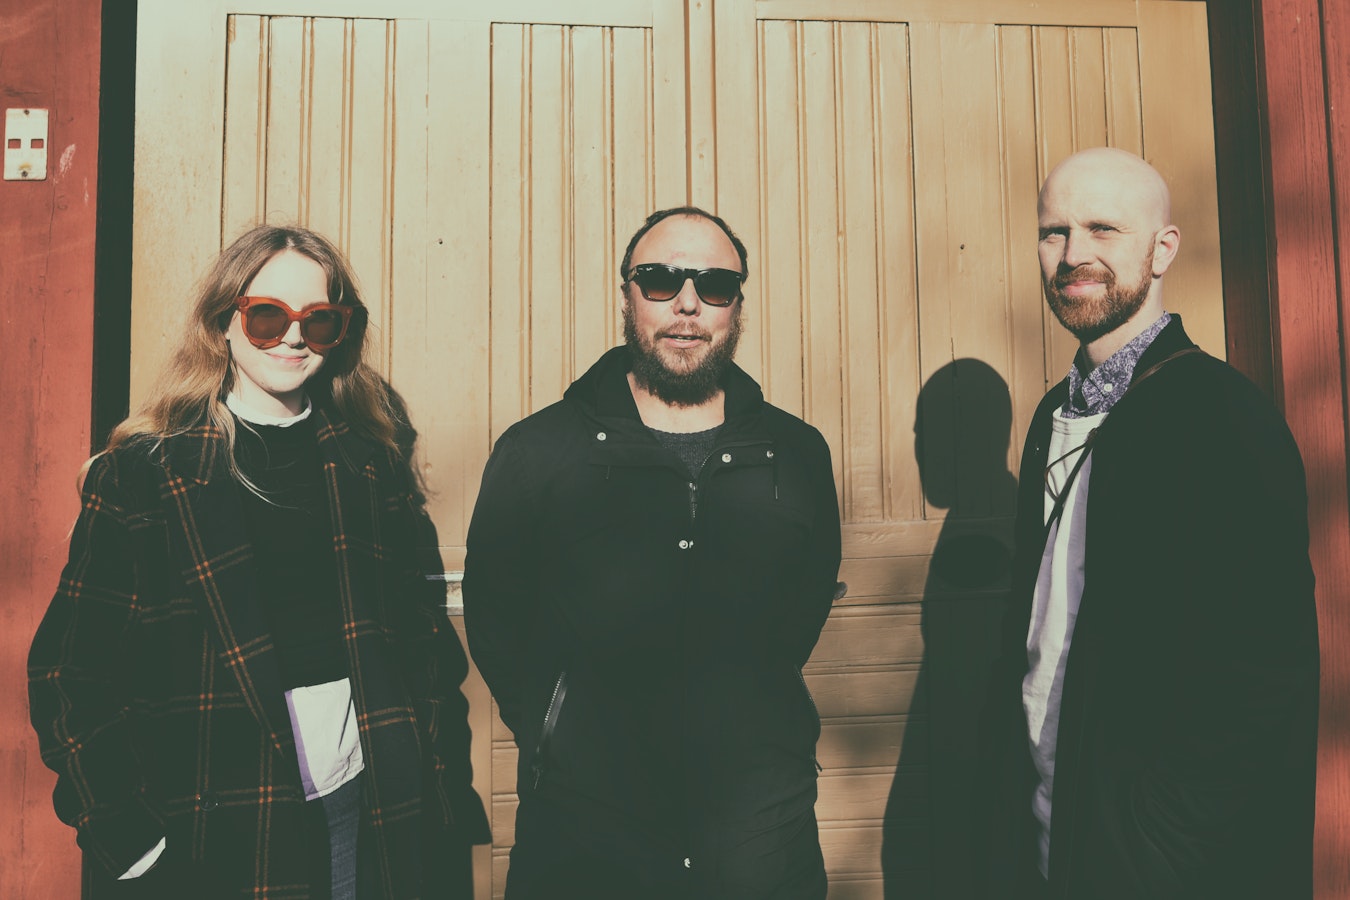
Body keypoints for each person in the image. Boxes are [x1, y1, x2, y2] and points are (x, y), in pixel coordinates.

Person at [28, 224, 490, 899]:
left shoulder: (367, 465)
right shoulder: (144, 474)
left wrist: (439, 797)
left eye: (318, 320)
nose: (293, 338)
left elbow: (422, 651)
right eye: (268, 316)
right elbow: (70, 672)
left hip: (364, 810)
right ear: (224, 323)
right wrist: (127, 840)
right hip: (205, 826)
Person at [462, 206, 842, 899]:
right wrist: (559, 728)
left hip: (760, 833)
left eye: (714, 285)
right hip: (587, 834)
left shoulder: (794, 453)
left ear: (737, 306)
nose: (687, 304)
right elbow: (496, 618)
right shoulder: (539, 453)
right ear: (627, 296)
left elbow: (801, 611)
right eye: (661, 280)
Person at [976, 147, 1320, 899]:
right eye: (1054, 232)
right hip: (1049, 835)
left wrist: (1161, 844)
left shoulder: (1223, 418)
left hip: (1154, 862)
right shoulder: (1054, 414)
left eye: (1103, 229)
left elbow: (1261, 680)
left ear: (1163, 250)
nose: (1074, 254)